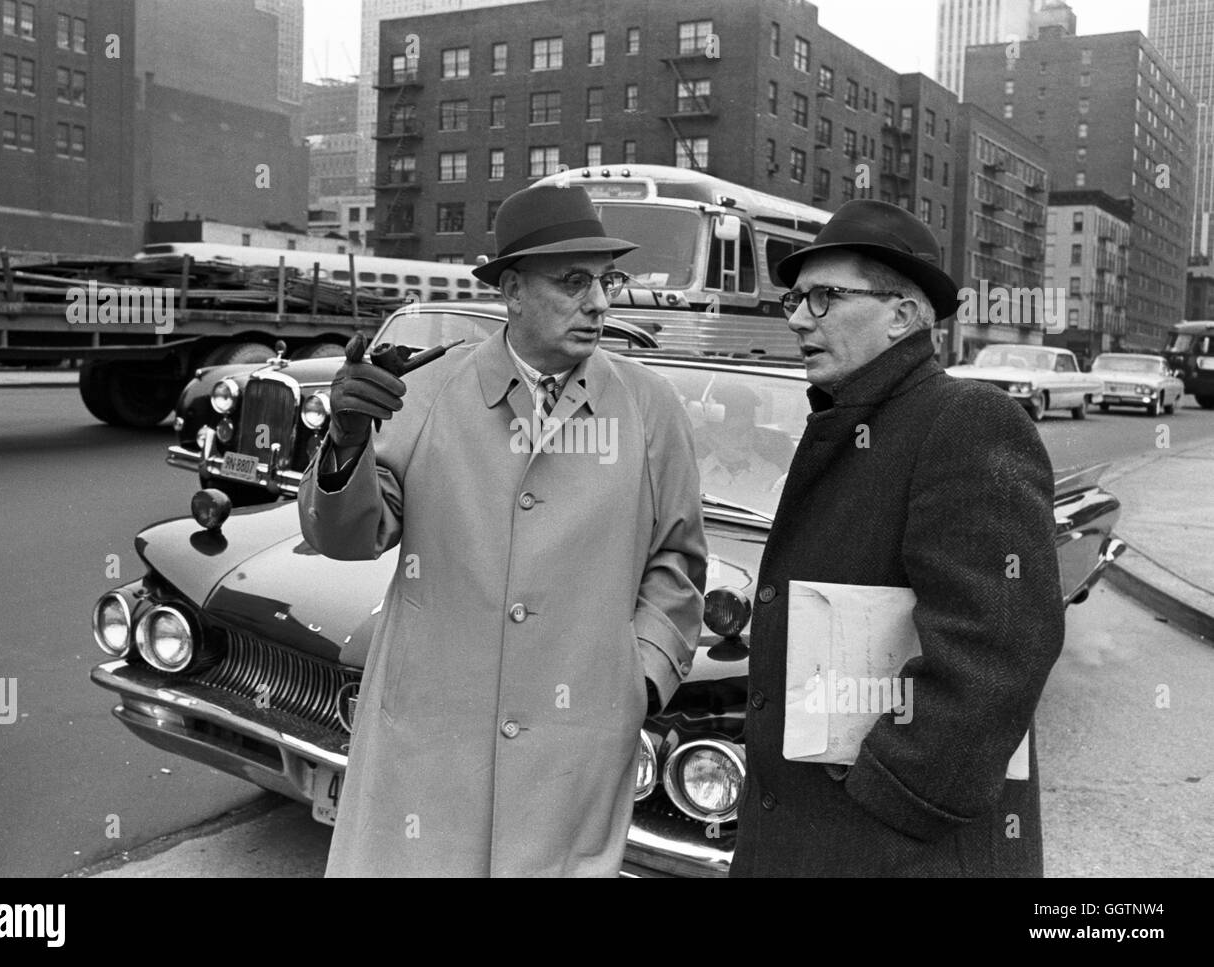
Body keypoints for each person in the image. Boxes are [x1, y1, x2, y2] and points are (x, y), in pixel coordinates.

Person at [298, 184, 707, 877]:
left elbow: (678, 561)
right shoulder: (427, 391)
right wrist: (343, 443)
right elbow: (348, 537)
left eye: (605, 280)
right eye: (573, 282)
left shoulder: (649, 407)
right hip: (428, 754)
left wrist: (637, 676)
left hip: (573, 750)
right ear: (512, 291)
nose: (600, 302)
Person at [730, 199, 1065, 877]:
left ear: (903, 315)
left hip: (897, 847)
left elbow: (1001, 644)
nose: (796, 316)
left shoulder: (964, 420)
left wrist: (895, 794)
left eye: (824, 296)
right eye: (795, 297)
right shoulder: (854, 419)